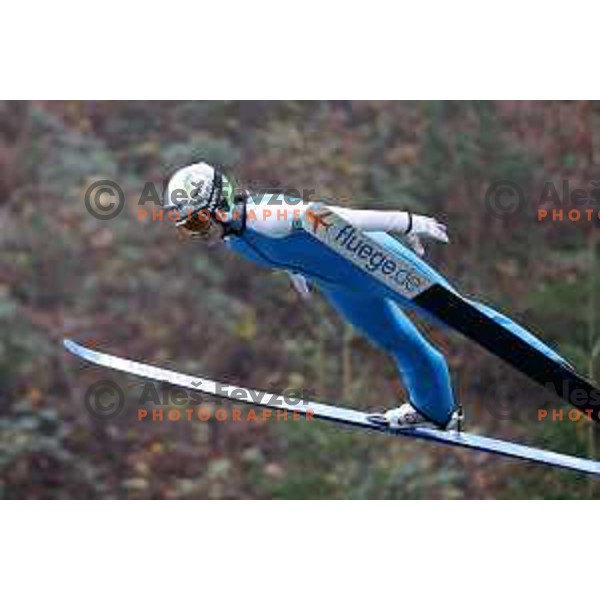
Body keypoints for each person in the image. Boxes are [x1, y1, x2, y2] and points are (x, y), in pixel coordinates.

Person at [162, 161, 566, 430]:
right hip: (340, 283)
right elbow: (281, 250)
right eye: (189, 228)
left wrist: (408, 221)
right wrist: (294, 270)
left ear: (218, 203)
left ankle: (554, 368)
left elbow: (340, 216)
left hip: (371, 258)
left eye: (198, 221)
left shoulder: (270, 215)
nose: (199, 233)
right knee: (394, 339)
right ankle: (435, 411)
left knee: (459, 315)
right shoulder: (237, 240)